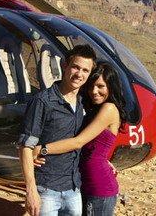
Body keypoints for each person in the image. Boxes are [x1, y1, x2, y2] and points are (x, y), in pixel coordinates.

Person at [34, 61, 127, 216]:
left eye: (100, 86)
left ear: (111, 87)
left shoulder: (109, 108)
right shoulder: (94, 108)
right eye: (91, 86)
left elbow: (79, 141)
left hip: (99, 186)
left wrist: (41, 149)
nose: (94, 91)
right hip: (84, 182)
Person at [19, 44, 97, 216]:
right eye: (76, 67)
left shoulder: (84, 101)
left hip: (74, 189)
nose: (79, 74)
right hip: (47, 190)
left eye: (85, 70)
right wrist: (31, 191)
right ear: (65, 66)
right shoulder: (42, 102)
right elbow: (26, 146)